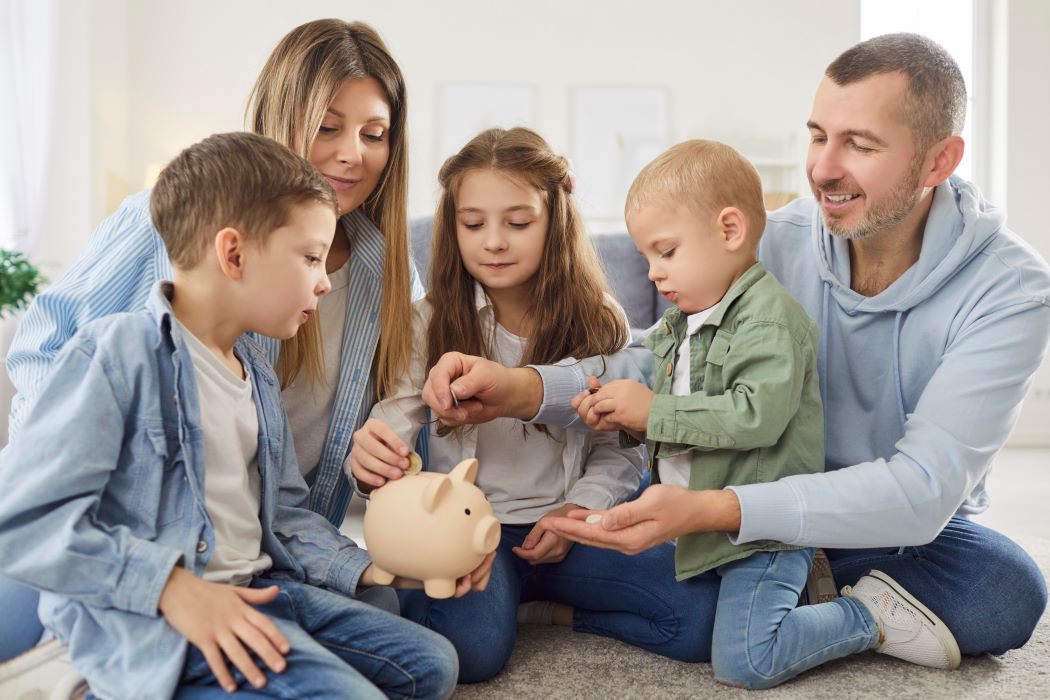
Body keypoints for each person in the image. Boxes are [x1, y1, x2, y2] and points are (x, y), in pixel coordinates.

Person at [422, 33, 1050, 659]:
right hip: (733, 478)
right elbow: (656, 361)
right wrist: (525, 388)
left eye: (860, 144)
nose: (824, 168)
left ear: (940, 162)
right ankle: (796, 598)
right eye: (818, 135)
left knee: (1004, 590)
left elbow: (920, 493)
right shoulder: (773, 241)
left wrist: (716, 512)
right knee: (670, 560)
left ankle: (841, 604)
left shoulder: (1009, 289)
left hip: (869, 525)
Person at [0, 18, 477, 662]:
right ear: (283, 117)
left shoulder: (384, 270)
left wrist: (383, 463)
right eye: (328, 126)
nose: (352, 154)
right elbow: (44, 349)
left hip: (277, 540)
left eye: (375, 134)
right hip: (136, 537)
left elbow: (382, 437)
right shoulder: (167, 221)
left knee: (414, 630)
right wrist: (75, 498)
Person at [586, 138, 961, 687]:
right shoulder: (683, 321)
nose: (651, 274)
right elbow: (655, 392)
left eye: (665, 253)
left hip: (763, 533)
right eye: (646, 258)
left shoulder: (769, 321)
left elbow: (752, 416)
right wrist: (615, 409)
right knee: (676, 617)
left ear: (730, 231)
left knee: (746, 661)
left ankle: (867, 615)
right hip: (701, 529)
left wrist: (653, 412)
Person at [350, 127, 716, 681]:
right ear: (453, 227)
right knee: (469, 653)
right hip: (472, 535)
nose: (494, 241)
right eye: (473, 224)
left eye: (518, 223)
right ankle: (509, 601)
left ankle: (550, 612)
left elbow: (618, 450)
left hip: (571, 527)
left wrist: (578, 511)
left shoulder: (598, 319)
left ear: (554, 220)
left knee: (701, 618)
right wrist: (373, 463)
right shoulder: (425, 324)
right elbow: (392, 428)